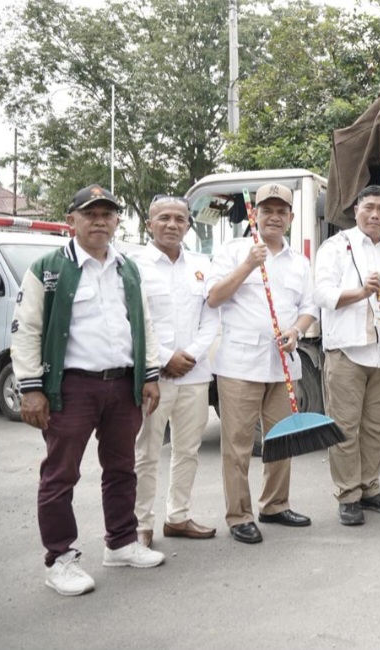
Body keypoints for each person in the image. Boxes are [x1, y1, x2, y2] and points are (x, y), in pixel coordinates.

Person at [11, 184, 164, 596]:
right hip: (72, 387)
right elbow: (27, 329)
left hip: (122, 385)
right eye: (90, 213)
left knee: (121, 469)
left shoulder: (126, 268)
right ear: (71, 220)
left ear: (117, 221)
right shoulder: (48, 267)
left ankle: (121, 543)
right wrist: (31, 388)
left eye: (107, 214)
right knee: (60, 475)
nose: (100, 220)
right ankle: (59, 559)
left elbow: (143, 325)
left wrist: (149, 374)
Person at [206, 183, 319, 544]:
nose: (274, 216)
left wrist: (297, 332)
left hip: (283, 362)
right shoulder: (233, 251)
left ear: (290, 217)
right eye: (266, 210)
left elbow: (309, 309)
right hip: (240, 364)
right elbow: (214, 297)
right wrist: (247, 266)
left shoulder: (299, 263)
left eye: (281, 210)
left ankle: (275, 504)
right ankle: (239, 514)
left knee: (281, 440)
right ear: (254, 214)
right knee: (238, 445)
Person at [313, 185, 380, 527]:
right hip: (348, 353)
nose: (375, 215)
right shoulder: (336, 247)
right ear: (356, 210)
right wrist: (361, 292)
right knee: (344, 429)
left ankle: (370, 489)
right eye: (369, 207)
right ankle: (348, 494)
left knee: (375, 429)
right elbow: (322, 294)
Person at [131, 194, 219, 547]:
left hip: (195, 376)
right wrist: (165, 357)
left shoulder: (202, 264)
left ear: (188, 225)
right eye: (164, 218)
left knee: (188, 450)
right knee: (147, 452)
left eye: (180, 219)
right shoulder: (134, 265)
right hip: (154, 377)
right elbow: (135, 320)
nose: (172, 224)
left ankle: (178, 516)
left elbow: (212, 315)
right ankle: (140, 524)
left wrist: (192, 355)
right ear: (149, 224)